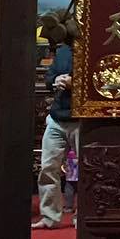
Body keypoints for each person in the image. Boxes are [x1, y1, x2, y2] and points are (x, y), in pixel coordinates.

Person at [38, 36, 76, 228]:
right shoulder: (63, 51)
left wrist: (74, 83)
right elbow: (48, 78)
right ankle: (50, 217)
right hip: (57, 117)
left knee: (89, 171)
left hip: (81, 119)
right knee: (48, 167)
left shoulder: (94, 48)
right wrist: (56, 79)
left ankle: (84, 217)